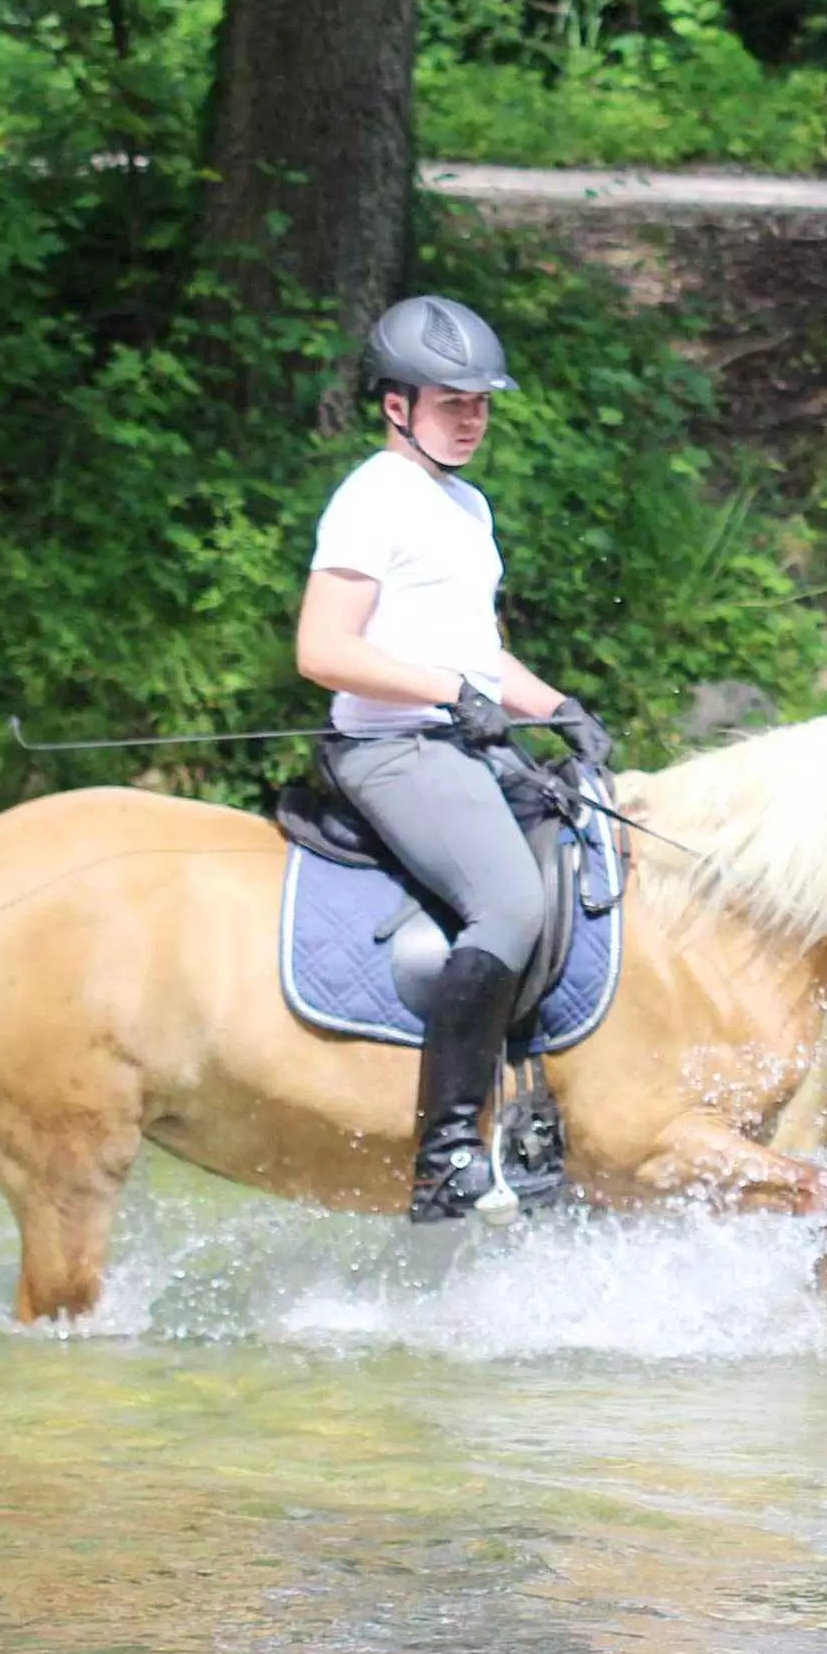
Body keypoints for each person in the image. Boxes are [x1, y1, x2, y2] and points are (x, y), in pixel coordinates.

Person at [293, 294, 615, 1219]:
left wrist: (557, 708)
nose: (472, 419)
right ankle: (444, 1156)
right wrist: (444, 691)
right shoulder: (372, 498)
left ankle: (535, 1117)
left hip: (462, 742)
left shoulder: (466, 505)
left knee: (579, 858)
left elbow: (481, 657)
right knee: (509, 901)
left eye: (480, 403)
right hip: (391, 749)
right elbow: (322, 648)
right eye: (451, 402)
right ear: (397, 405)